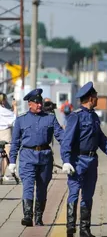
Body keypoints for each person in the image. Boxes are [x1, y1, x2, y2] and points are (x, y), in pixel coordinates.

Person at [61, 81, 107, 237]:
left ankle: (85, 229)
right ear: (90, 98)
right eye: (96, 97)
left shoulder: (93, 117)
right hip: (77, 160)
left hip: (92, 161)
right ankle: (71, 226)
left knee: (88, 195)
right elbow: (67, 140)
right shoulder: (75, 116)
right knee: (74, 191)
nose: (98, 99)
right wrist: (66, 160)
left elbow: (101, 138)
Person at [8, 88, 64, 227]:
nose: (39, 105)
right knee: (27, 186)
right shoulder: (21, 120)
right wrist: (12, 161)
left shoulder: (50, 118)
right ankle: (28, 216)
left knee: (42, 188)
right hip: (27, 156)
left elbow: (61, 136)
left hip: (45, 157)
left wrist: (72, 149)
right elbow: (15, 142)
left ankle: (38, 217)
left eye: (40, 102)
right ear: (30, 104)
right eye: (36, 102)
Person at [0, 93, 17, 178]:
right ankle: (1, 174)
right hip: (5, 132)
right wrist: (15, 107)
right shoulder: (3, 110)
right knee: (7, 153)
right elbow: (14, 118)